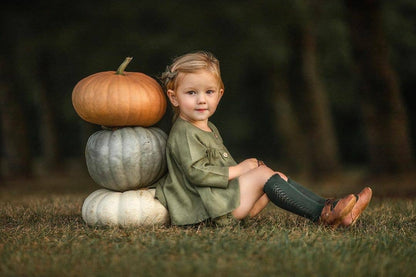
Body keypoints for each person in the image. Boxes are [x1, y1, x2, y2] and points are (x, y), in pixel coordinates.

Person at [155, 51, 372, 228]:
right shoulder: (183, 133)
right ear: (174, 97)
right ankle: (322, 215)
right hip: (207, 212)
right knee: (262, 175)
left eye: (209, 92)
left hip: (221, 202)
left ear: (219, 94)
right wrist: (242, 170)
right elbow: (197, 173)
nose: (202, 100)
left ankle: (333, 209)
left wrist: (247, 172)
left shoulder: (207, 127)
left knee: (275, 175)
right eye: (191, 93)